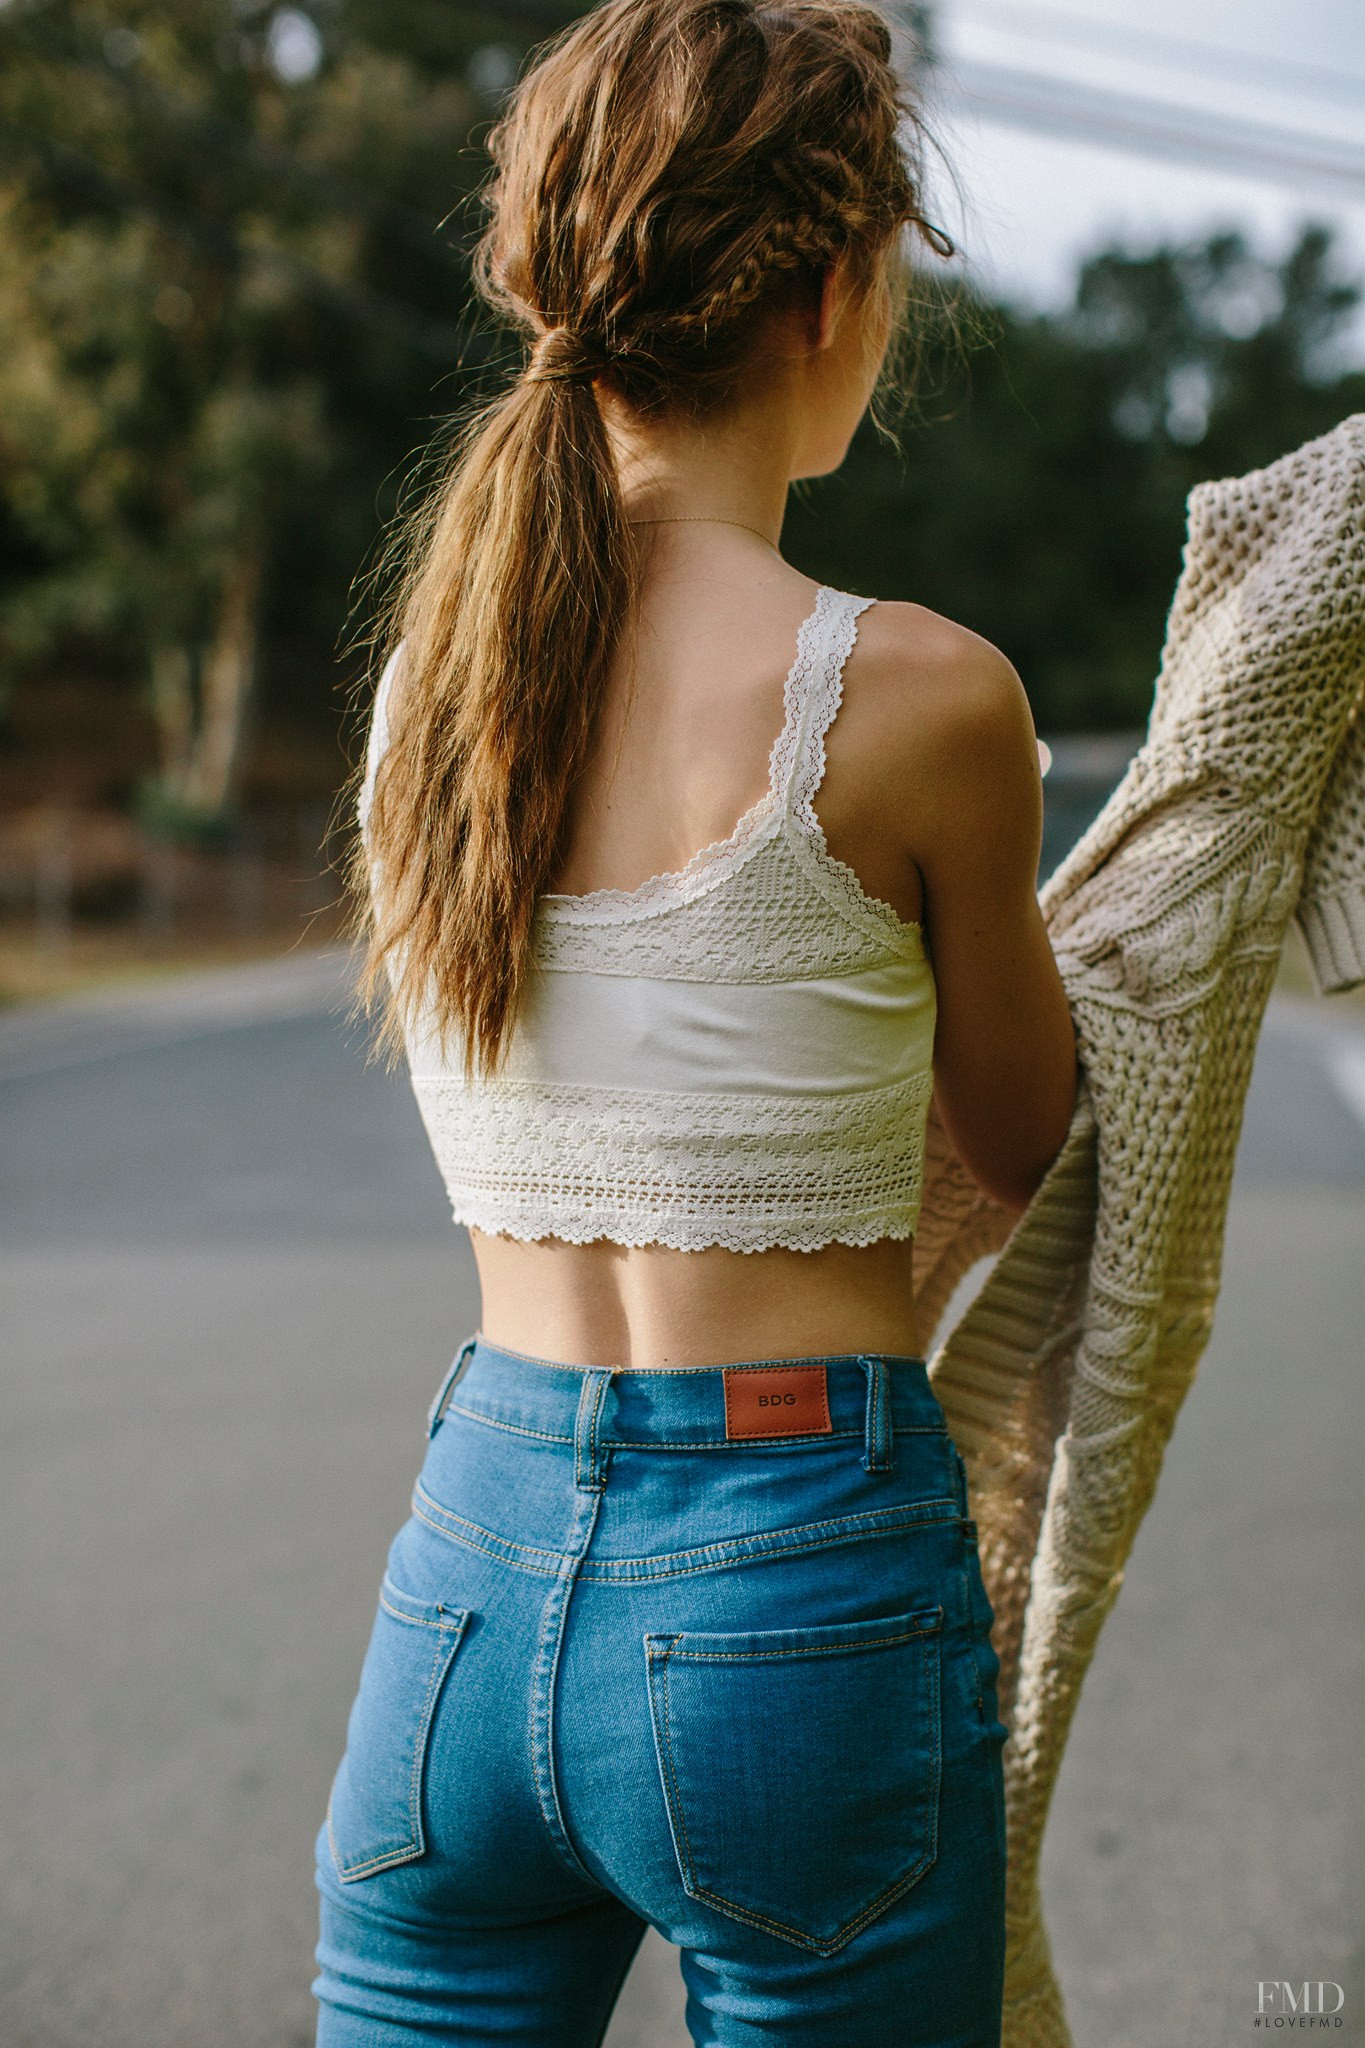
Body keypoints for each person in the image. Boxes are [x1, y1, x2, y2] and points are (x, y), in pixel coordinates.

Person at [314, 2, 1079, 2042]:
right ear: (831, 288)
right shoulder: (918, 699)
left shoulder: (433, 701)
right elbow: (1021, 1132)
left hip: (466, 1563)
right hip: (790, 1580)